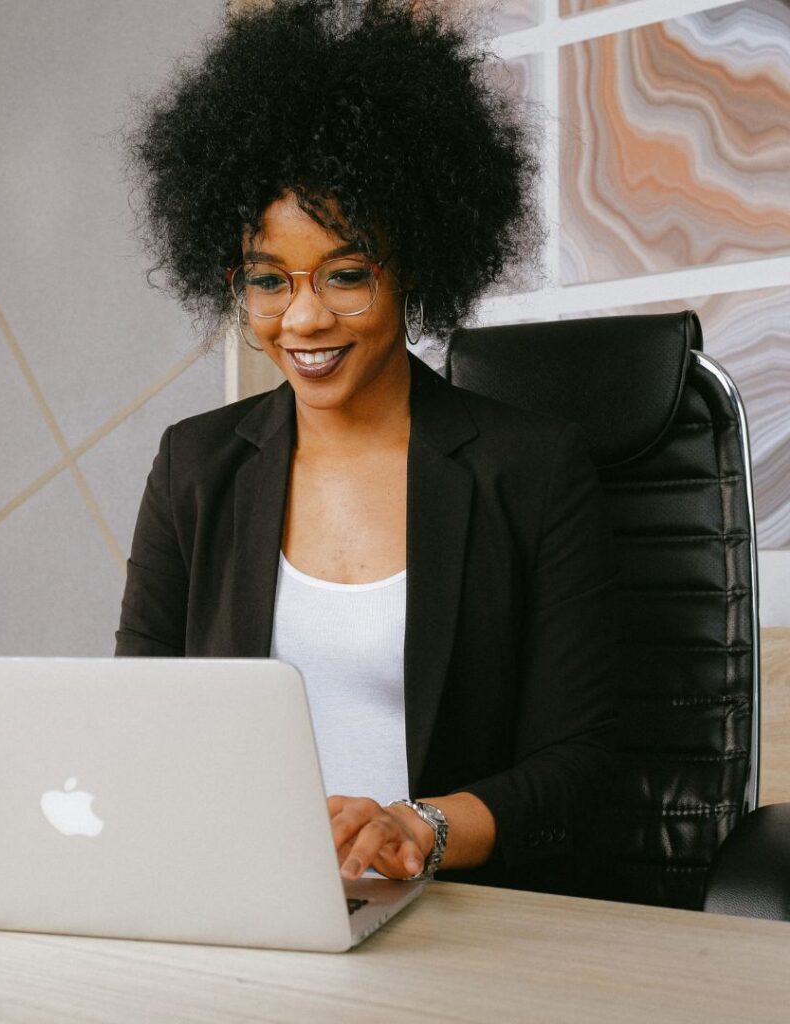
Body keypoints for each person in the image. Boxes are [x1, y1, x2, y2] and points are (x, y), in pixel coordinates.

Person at [117, 0, 617, 894]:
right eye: (269, 280)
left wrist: (417, 826)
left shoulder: (534, 470)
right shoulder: (195, 466)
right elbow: (139, 720)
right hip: (246, 899)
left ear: (413, 262)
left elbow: (582, 767)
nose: (303, 318)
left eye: (347, 274)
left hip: (460, 913)